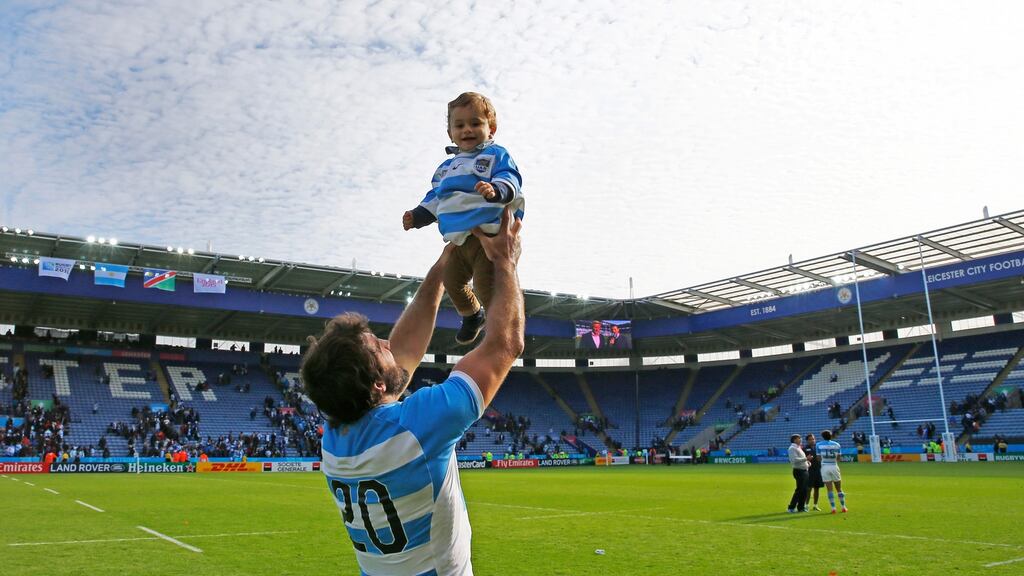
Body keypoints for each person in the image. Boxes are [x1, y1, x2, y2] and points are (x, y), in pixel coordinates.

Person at [304, 207, 524, 575]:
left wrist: (446, 262)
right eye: (378, 347)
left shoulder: (335, 441)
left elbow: (401, 356)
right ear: (377, 384)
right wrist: (505, 261)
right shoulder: (419, 426)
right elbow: (505, 344)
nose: (387, 342)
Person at [403, 92, 524, 346]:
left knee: (485, 285)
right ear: (450, 133)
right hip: (459, 239)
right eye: (459, 125)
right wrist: (417, 216)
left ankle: (500, 334)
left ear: (491, 128)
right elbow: (436, 198)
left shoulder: (496, 154)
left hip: (488, 235)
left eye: (475, 123)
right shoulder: (446, 168)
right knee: (451, 281)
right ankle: (473, 315)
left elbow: (510, 178)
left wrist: (496, 190)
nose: (467, 129)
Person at [817, 429, 847, 514]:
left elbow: (818, 458)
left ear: (823, 437)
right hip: (834, 466)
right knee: (839, 489)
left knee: (829, 489)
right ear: (831, 436)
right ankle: (843, 507)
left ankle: (833, 508)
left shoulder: (818, 445)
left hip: (825, 467)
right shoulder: (837, 445)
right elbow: (839, 458)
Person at [787, 434, 808, 513]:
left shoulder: (798, 447)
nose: (801, 439)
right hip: (799, 471)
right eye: (799, 438)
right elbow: (794, 460)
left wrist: (807, 463)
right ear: (795, 440)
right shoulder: (792, 448)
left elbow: (800, 460)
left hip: (804, 470)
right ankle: (791, 507)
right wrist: (806, 458)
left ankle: (801, 507)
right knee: (799, 490)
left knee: (804, 490)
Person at [803, 433, 824, 511]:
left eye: (813, 439)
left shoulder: (818, 448)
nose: (813, 440)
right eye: (811, 439)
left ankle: (815, 505)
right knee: (809, 488)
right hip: (809, 471)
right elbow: (802, 459)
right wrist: (806, 459)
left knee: (817, 488)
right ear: (807, 441)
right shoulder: (804, 449)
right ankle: (806, 505)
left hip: (818, 470)